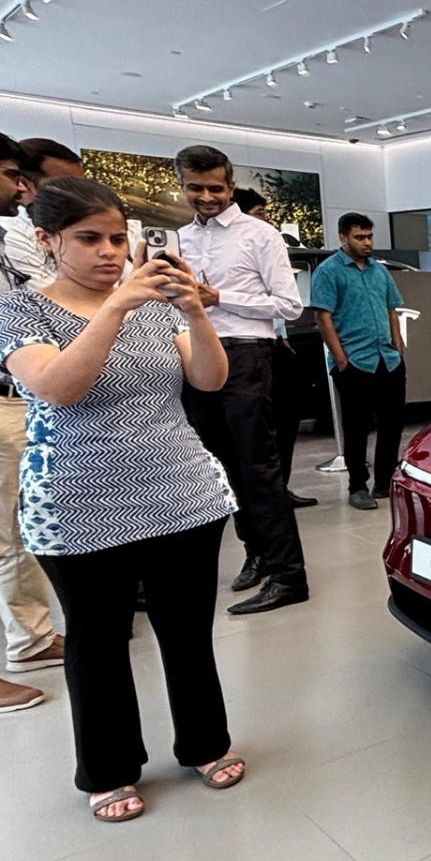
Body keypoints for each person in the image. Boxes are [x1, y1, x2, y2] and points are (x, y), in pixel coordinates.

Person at [0, 176, 248, 823]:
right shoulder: (20, 310)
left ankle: (203, 743)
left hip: (182, 493)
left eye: (117, 237)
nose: (110, 252)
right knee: (98, 640)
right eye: (89, 238)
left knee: (188, 632)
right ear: (46, 240)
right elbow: (57, 387)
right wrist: (115, 307)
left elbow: (209, 378)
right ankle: (108, 769)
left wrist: (193, 308)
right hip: (78, 504)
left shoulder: (157, 305)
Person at [173, 145, 306, 616]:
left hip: (247, 354)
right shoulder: (178, 240)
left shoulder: (260, 234)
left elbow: (290, 306)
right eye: (196, 187)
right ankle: (258, 556)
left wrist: (219, 297)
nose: (206, 196)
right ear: (183, 186)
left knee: (258, 465)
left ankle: (290, 575)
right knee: (221, 467)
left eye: (215, 187)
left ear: (230, 186)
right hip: (192, 353)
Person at [0, 136, 60, 715]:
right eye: (12, 175)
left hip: (13, 398)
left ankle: (32, 638)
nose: (22, 189)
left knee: (12, 533)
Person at [310, 214, 408, 512]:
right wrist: (341, 359)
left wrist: (399, 349)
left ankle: (384, 481)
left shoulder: (379, 271)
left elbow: (392, 309)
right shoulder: (329, 272)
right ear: (343, 238)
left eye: (368, 236)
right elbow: (322, 317)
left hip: (387, 359)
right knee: (357, 427)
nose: (366, 242)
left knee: (393, 423)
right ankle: (357, 486)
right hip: (354, 362)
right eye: (359, 237)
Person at [232, 188, 317, 511]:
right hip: (244, 351)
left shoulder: (269, 248)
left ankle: (281, 487)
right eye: (259, 213)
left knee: (286, 422)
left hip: (278, 345)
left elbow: (287, 305)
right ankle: (258, 496)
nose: (266, 220)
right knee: (257, 431)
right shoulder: (234, 256)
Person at [7, 138, 84, 290]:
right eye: (64, 186)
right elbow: (55, 300)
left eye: (82, 185)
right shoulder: (12, 234)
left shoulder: (82, 221)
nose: (79, 194)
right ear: (23, 184)